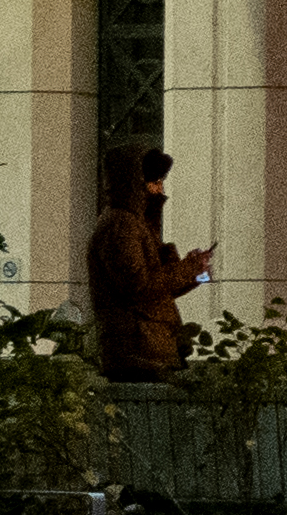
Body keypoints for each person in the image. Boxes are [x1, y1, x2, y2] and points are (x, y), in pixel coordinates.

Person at [79, 143, 203, 383]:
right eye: (153, 181)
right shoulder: (120, 225)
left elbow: (165, 289)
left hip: (152, 349)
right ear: (133, 184)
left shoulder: (139, 225)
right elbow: (139, 286)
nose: (159, 189)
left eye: (161, 181)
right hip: (136, 353)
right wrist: (187, 268)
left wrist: (200, 273)